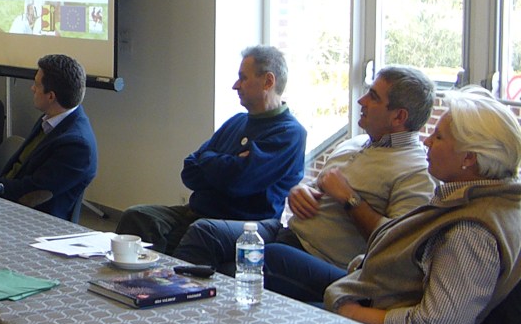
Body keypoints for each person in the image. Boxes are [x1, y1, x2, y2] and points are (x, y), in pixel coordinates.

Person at [174, 65, 437, 299]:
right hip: (288, 234)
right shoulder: (354, 144)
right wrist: (300, 191)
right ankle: (170, 308)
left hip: (328, 262)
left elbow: (397, 247)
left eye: (374, 97)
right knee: (205, 232)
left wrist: (350, 199)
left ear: (399, 117)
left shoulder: (416, 171)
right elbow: (318, 192)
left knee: (259, 261)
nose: (361, 100)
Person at [325, 86, 521, 324]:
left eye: (438, 137)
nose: (427, 141)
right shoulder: (500, 201)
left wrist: (350, 313)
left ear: (468, 158)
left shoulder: (470, 232)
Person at [115, 46, 307, 253]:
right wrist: (226, 163)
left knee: (200, 231)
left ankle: (162, 273)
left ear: (268, 81)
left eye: (243, 78)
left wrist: (210, 160)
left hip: (244, 225)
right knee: (137, 216)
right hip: (198, 212)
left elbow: (239, 182)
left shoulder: (289, 133)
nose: (235, 85)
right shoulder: (236, 121)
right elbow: (189, 171)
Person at [0, 54, 97, 220]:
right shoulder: (50, 118)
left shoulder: (77, 145)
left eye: (36, 84)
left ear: (51, 96)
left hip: (32, 220)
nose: (32, 88)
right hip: (6, 203)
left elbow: (32, 192)